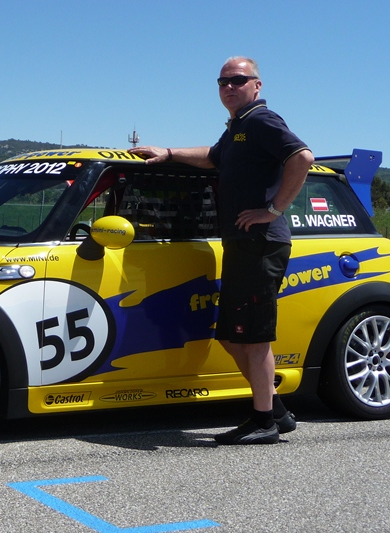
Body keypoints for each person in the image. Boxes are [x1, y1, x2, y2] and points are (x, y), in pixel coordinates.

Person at [129, 56, 314, 444]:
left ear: (257, 85)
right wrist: (169, 153)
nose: (229, 86)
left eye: (238, 80)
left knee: (255, 338)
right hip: (240, 243)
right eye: (222, 81)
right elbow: (213, 157)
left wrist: (273, 210)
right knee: (231, 336)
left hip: (261, 243)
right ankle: (276, 411)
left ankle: (263, 422)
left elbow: (302, 158)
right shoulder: (238, 128)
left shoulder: (262, 120)